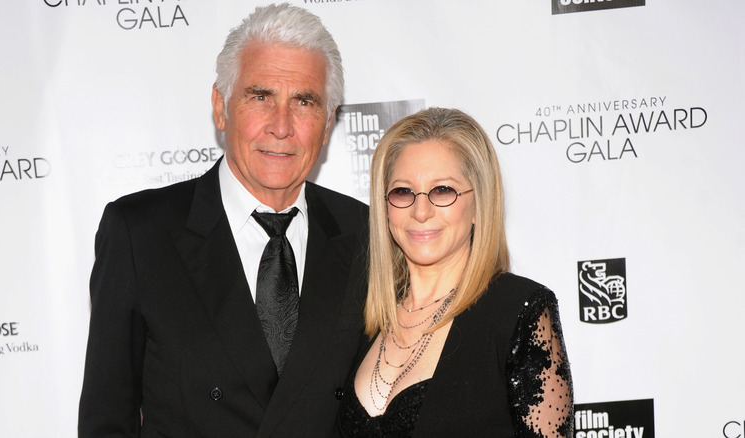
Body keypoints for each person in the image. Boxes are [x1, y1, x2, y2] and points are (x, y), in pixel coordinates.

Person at [78, 4, 369, 437]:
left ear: (327, 123)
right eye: (260, 97)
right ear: (220, 107)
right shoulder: (139, 234)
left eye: (304, 102)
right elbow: (108, 420)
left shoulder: (366, 233)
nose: (281, 126)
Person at [336, 108, 573, 437]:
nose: (421, 211)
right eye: (403, 191)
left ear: (479, 203)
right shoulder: (362, 318)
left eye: (443, 190)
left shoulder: (518, 312)